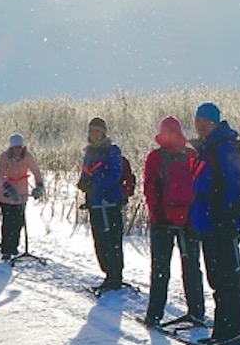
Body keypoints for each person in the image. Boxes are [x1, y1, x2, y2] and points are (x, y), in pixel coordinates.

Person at [190, 103, 240, 345]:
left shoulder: (223, 146)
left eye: (204, 122)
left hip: (221, 224)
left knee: (228, 279)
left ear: (214, 123)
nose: (200, 126)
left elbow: (234, 183)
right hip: (208, 224)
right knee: (217, 280)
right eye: (198, 121)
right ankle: (223, 330)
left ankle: (236, 331)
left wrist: (226, 213)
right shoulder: (208, 148)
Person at [142, 116, 206, 326]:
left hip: (164, 223)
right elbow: (199, 188)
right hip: (187, 222)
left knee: (160, 269)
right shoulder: (191, 154)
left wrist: (156, 216)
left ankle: (154, 314)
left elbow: (150, 189)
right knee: (191, 268)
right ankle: (196, 312)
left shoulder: (156, 157)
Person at [76, 117, 136, 289]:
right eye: (91, 131)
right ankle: (109, 275)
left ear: (103, 132)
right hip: (95, 204)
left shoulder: (112, 150)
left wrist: (95, 185)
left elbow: (114, 175)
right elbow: (86, 173)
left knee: (113, 240)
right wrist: (83, 183)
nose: (94, 134)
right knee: (100, 241)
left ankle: (115, 276)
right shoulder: (89, 152)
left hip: (110, 203)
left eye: (97, 130)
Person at [0, 133, 46, 261]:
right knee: (8, 222)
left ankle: (14, 247)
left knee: (18, 222)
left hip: (21, 194)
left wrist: (39, 186)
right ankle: (6, 251)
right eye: (15, 147)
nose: (18, 149)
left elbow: (36, 171)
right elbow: (0, 174)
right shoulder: (5, 157)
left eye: (19, 147)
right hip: (6, 195)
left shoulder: (27, 156)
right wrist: (8, 187)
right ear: (11, 147)